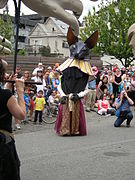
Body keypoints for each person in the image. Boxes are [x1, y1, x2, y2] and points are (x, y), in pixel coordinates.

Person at [0, 59, 26, 180]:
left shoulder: (5, 93)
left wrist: (7, 87)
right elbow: (21, 115)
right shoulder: (5, 95)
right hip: (2, 146)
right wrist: (20, 92)